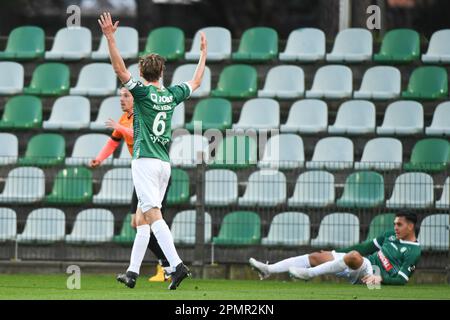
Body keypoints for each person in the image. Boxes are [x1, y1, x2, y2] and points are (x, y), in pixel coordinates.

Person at [98, 12, 207, 290]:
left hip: (145, 161)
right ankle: (132, 272)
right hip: (164, 164)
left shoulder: (142, 94)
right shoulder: (170, 95)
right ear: (162, 73)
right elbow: (196, 82)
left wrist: (110, 37)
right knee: (144, 219)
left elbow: (120, 70)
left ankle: (176, 266)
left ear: (144, 74)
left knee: (153, 216)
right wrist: (203, 55)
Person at [89, 86, 171, 283]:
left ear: (136, 99)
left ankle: (167, 266)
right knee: (138, 223)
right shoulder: (124, 119)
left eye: (126, 96)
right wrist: (99, 159)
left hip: (153, 173)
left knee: (148, 222)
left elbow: (140, 136)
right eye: (120, 96)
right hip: (141, 176)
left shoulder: (143, 115)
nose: (122, 99)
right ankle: (164, 266)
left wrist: (121, 128)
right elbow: (113, 142)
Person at [249, 212, 421, 286]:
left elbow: (401, 280)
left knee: (354, 256)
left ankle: (308, 275)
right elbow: (364, 247)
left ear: (411, 226)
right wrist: (335, 252)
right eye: (395, 224)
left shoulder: (414, 252)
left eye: (399, 224)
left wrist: (380, 279)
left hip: (371, 276)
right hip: (363, 264)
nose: (395, 227)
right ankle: (268, 269)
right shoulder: (390, 235)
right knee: (317, 256)